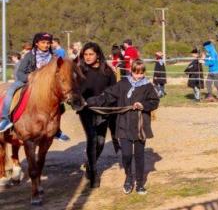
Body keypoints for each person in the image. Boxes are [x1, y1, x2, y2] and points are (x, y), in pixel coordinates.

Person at [87, 59, 159, 195]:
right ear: (131, 71)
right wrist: (91, 102)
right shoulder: (123, 84)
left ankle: (139, 183)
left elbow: (154, 102)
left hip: (140, 126)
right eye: (136, 73)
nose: (138, 76)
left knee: (139, 156)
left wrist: (143, 105)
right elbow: (108, 96)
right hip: (123, 125)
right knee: (126, 155)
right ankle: (128, 178)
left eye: (141, 73)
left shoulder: (148, 86)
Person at [0, 32, 69, 141]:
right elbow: (20, 73)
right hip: (27, 82)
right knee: (10, 91)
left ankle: (56, 130)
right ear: (36, 43)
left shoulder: (54, 57)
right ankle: (5, 119)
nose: (46, 45)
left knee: (60, 103)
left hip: (46, 88)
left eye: (48, 43)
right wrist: (31, 77)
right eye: (43, 43)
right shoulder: (30, 55)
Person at [76, 42, 117, 188]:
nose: (87, 57)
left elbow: (114, 91)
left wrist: (105, 102)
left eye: (90, 54)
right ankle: (93, 173)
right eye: (85, 54)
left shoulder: (107, 71)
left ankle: (89, 163)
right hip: (86, 110)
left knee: (100, 141)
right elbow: (74, 92)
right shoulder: (80, 71)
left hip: (103, 110)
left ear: (98, 55)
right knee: (92, 139)